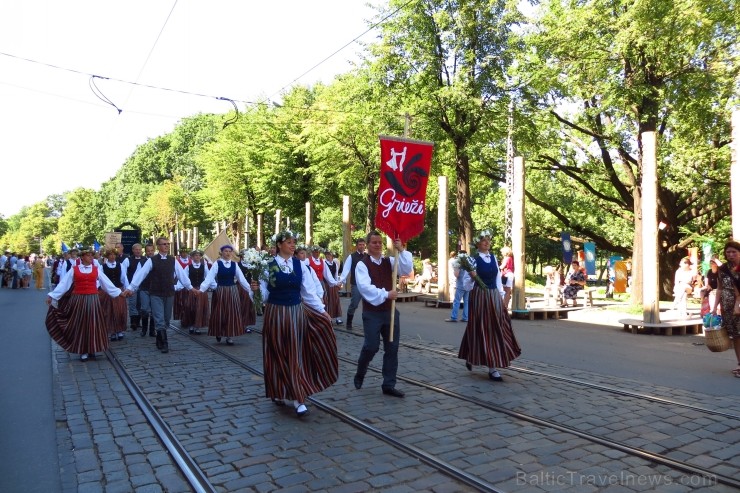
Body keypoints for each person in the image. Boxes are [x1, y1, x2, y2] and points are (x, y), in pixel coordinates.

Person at [250, 230, 338, 417]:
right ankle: (279, 390)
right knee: (277, 353)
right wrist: (255, 291)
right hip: (275, 313)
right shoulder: (267, 266)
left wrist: (322, 311)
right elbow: (264, 296)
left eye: (294, 242)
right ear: (279, 245)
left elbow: (308, 293)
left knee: (295, 354)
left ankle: (298, 398)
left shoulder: (301, 265)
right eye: (289, 242)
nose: (292, 245)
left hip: (296, 313)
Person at [353, 231, 413, 398]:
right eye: (374, 243)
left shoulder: (390, 261)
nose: (378, 245)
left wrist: (401, 249)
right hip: (372, 313)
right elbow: (365, 288)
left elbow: (407, 269)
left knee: (392, 348)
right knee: (371, 346)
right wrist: (386, 294)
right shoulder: (362, 265)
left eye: (380, 242)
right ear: (368, 245)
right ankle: (361, 370)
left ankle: (389, 384)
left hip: (390, 312)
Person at [458, 231, 521, 381]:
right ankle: (492, 367)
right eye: (483, 240)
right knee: (483, 327)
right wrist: (473, 276)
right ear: (477, 244)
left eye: (488, 240)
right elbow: (466, 285)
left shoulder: (492, 257)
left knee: (498, 326)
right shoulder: (472, 259)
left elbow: (498, 278)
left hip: (493, 295)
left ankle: (472, 355)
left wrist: (501, 297)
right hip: (480, 296)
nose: (487, 242)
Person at [45, 247, 124, 361]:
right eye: (88, 255)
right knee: (80, 324)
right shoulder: (74, 269)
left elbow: (107, 284)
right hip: (79, 300)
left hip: (93, 300)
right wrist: (52, 295)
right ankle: (83, 350)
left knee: (93, 324)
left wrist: (120, 293)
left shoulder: (96, 269)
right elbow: (64, 284)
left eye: (92, 255)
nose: (91, 257)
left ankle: (92, 349)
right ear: (82, 257)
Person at [123, 238, 195, 354]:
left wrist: (190, 288)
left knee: (166, 319)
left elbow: (182, 275)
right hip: (155, 293)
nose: (166, 246)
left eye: (168, 244)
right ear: (158, 246)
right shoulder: (152, 261)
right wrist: (131, 288)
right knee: (159, 318)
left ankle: (159, 337)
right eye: (164, 244)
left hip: (169, 293)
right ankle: (165, 343)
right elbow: (141, 275)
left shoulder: (173, 260)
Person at [198, 245, 251, 345]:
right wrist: (201, 289)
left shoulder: (235, 265)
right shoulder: (217, 264)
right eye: (226, 251)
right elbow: (209, 278)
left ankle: (229, 335)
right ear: (221, 253)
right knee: (220, 313)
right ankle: (218, 331)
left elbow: (242, 279)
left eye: (230, 251)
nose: (228, 253)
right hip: (220, 291)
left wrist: (251, 290)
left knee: (232, 313)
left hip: (232, 290)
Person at [710, 241, 740, 378]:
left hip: (738, 305)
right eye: (728, 252)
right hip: (727, 306)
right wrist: (715, 306)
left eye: (734, 252)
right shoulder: (723, 269)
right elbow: (720, 288)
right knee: (735, 336)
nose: (731, 254)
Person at [121, 243, 150, 336]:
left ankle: (138, 321)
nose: (138, 251)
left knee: (140, 304)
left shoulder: (146, 260)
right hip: (132, 285)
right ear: (133, 250)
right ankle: (133, 321)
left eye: (139, 249)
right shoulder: (128, 260)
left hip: (143, 286)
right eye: (136, 249)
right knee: (132, 303)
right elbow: (124, 273)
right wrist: (127, 286)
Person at [178, 249, 210, 335]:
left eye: (199, 255)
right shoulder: (188, 267)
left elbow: (208, 278)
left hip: (201, 290)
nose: (197, 257)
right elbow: (183, 278)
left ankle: (197, 326)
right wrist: (178, 287)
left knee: (199, 308)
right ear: (192, 257)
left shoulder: (204, 267)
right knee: (190, 307)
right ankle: (191, 325)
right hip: (191, 290)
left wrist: (211, 286)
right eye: (195, 255)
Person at [100, 248, 128, 341]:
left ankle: (119, 330)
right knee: (109, 311)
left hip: (119, 290)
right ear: (107, 256)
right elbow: (100, 280)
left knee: (120, 311)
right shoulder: (102, 267)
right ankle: (112, 331)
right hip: (107, 292)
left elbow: (124, 278)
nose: (112, 257)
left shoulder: (120, 265)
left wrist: (127, 289)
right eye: (110, 255)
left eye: (114, 255)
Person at [339, 237, 367, 329]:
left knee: (367, 305)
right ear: (357, 246)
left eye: (363, 245)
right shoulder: (352, 256)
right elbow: (346, 269)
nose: (362, 246)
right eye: (360, 245)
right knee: (354, 304)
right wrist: (341, 281)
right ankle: (349, 322)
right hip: (355, 284)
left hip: (367, 284)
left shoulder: (367, 256)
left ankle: (367, 325)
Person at [446, 251, 472, 322]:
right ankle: (465, 317)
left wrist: (455, 271)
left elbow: (456, 274)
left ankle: (454, 317)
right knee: (466, 301)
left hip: (460, 284)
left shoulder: (458, 263)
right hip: (468, 284)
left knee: (457, 301)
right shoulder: (469, 262)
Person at [322, 250, 344, 325]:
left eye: (329, 255)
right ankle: (328, 318)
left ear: (332, 256)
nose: (327, 256)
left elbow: (336, 274)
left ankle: (338, 318)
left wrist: (337, 282)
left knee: (336, 300)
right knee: (328, 300)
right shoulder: (324, 263)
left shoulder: (335, 263)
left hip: (333, 284)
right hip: (326, 284)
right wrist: (335, 283)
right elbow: (327, 276)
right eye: (326, 255)